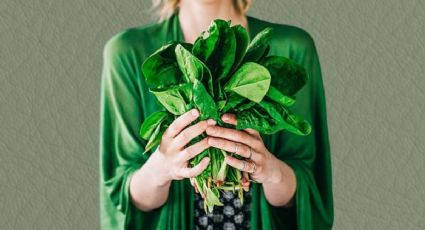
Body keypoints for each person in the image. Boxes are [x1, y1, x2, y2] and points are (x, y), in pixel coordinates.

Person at [99, 0, 334, 229]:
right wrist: (162, 167)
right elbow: (125, 198)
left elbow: (307, 191)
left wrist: (271, 172)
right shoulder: (127, 53)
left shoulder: (292, 47)